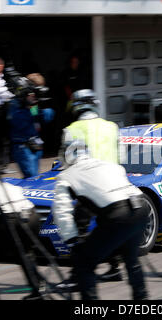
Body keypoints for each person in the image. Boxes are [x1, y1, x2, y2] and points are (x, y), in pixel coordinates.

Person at [52, 140, 149, 300]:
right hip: (141, 207)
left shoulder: (66, 176)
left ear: (66, 157)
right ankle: (143, 301)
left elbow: (61, 211)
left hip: (118, 215)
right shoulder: (110, 165)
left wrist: (72, 240)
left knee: (83, 263)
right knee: (131, 260)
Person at [59, 89, 123, 285]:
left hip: (88, 185)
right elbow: (121, 157)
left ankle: (78, 275)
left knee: (79, 229)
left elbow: (67, 162)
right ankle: (114, 268)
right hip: (114, 184)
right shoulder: (112, 127)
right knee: (108, 225)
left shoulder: (71, 130)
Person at [8, 82, 44, 179]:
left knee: (34, 176)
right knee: (30, 176)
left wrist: (41, 110)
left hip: (34, 144)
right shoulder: (14, 105)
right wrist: (28, 108)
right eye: (31, 95)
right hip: (22, 146)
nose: (34, 97)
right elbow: (20, 123)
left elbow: (36, 119)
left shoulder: (32, 105)